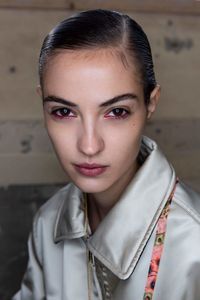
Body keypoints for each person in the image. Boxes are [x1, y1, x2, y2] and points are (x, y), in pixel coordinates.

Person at [13, 9, 200, 300]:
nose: (89, 145)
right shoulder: (47, 223)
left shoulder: (194, 245)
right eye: (64, 112)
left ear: (151, 103)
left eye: (116, 112)